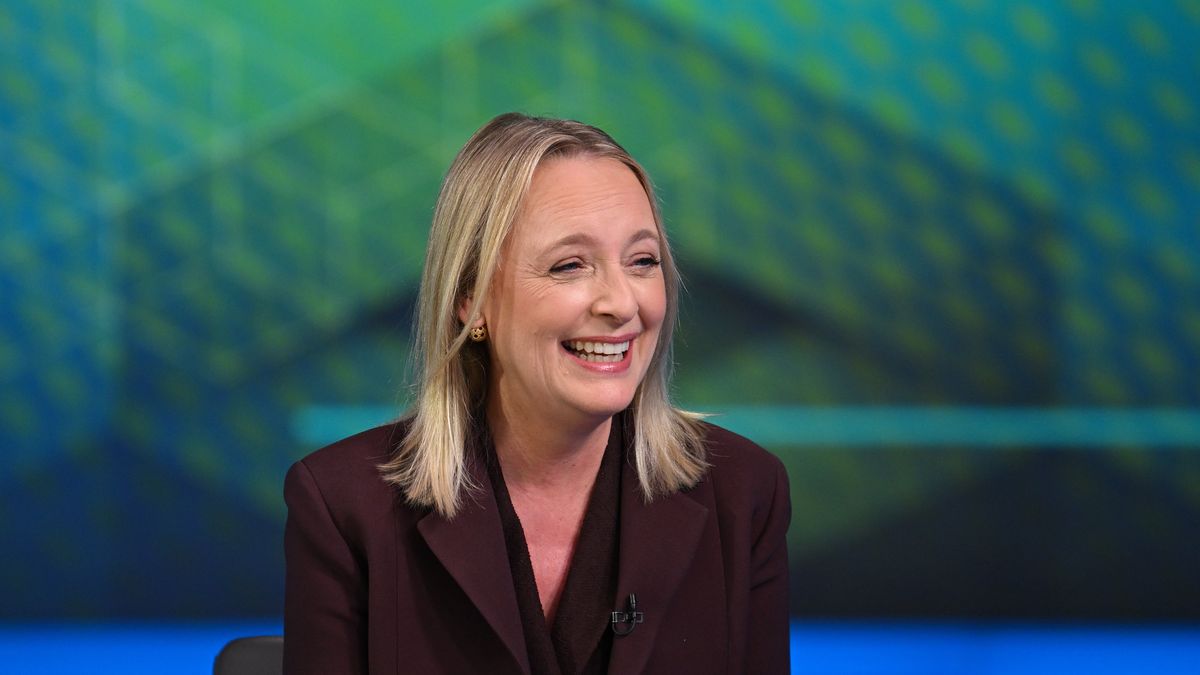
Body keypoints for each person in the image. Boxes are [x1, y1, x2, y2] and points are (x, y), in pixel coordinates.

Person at [283, 112, 791, 674]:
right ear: (470, 299)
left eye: (642, 261)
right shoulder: (342, 507)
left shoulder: (744, 495)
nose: (622, 304)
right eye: (570, 266)